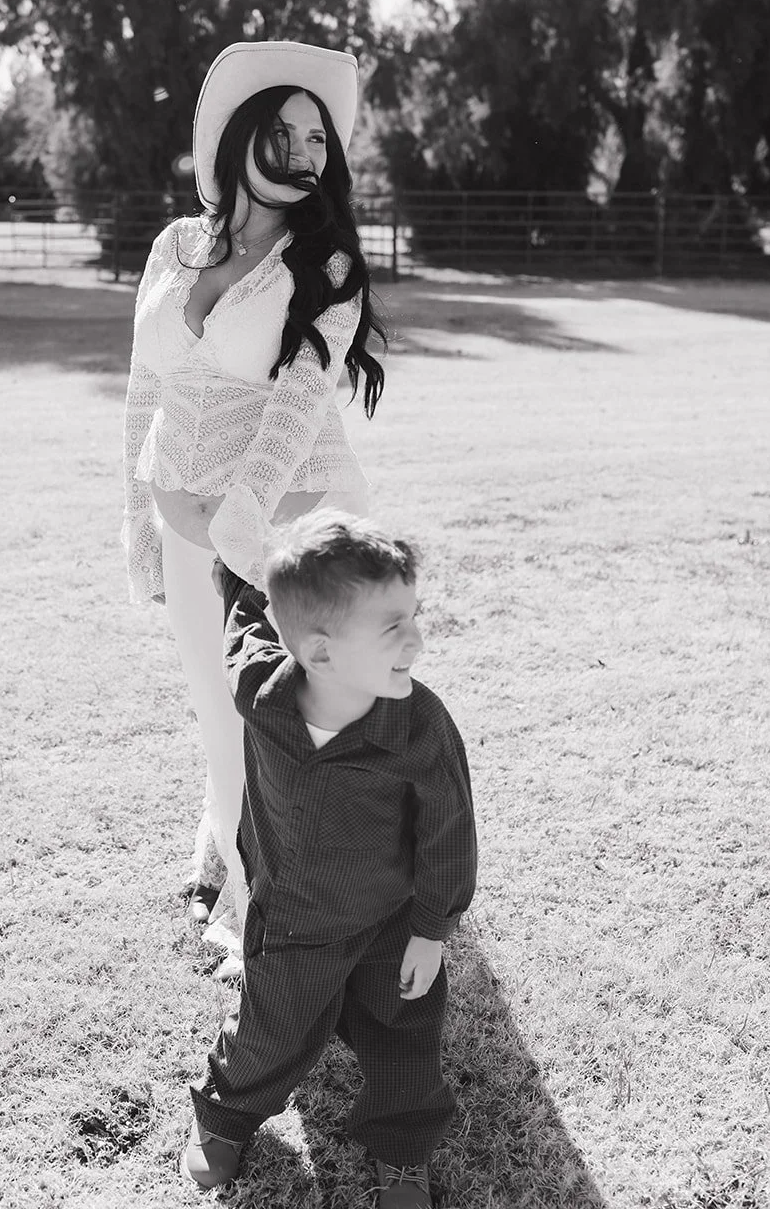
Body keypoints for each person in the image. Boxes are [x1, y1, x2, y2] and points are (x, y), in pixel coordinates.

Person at [121, 41, 387, 968]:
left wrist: (239, 537)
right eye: (286, 131)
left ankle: (269, 913)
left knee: (285, 723)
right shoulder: (176, 245)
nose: (309, 151)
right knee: (212, 708)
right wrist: (141, 522)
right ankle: (222, 841)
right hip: (179, 518)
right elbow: (142, 390)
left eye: (320, 135)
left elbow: (293, 414)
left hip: (279, 533)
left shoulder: (328, 265)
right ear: (237, 139)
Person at [181, 512, 478, 1209]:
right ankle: (224, 1116)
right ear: (315, 651)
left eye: (413, 615)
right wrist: (236, 571)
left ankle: (401, 1151)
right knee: (270, 1029)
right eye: (391, 627)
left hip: (391, 918)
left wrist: (431, 930)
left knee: (403, 1035)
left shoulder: (419, 725)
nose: (416, 639)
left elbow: (449, 834)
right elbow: (245, 622)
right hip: (294, 914)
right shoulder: (262, 691)